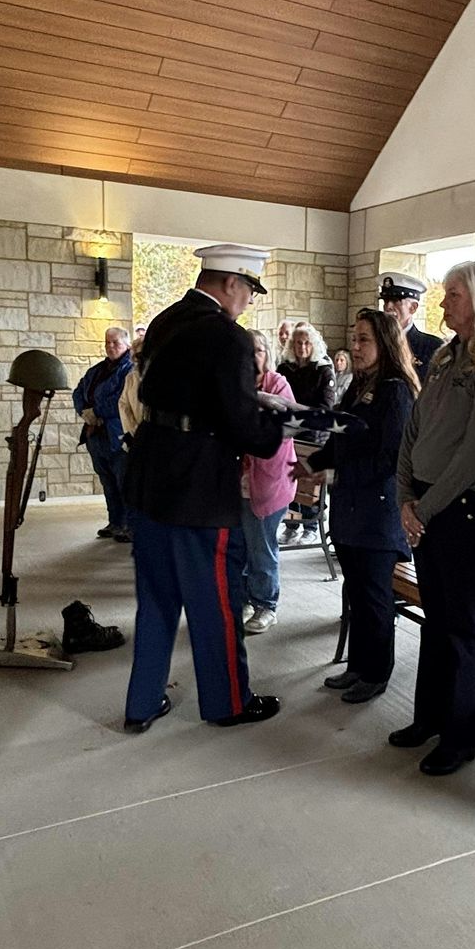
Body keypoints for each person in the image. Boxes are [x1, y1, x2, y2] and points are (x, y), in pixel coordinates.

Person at [121, 244, 286, 732]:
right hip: (198, 488)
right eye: (250, 289)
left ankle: (142, 703)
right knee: (216, 604)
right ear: (232, 282)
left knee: (155, 600)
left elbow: (176, 393)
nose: (249, 300)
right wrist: (277, 425)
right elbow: (241, 425)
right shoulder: (228, 336)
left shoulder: (167, 320)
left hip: (150, 476)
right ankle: (228, 702)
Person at [393, 260, 475, 775]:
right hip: (426, 502)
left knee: (464, 625)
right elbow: (414, 429)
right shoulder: (448, 356)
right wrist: (406, 494)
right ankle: (429, 717)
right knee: (437, 618)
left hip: (464, 508)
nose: (444, 303)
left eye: (454, 294)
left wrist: (421, 509)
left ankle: (462, 735)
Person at [307, 308, 418, 704]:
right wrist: (312, 464)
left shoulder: (395, 391)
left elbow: (390, 459)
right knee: (356, 591)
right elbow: (340, 438)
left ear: (385, 343)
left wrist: (336, 475)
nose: (354, 346)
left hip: (377, 513)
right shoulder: (358, 385)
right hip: (351, 511)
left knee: (374, 598)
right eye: (354, 338)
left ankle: (376, 673)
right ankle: (357, 666)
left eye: (364, 339)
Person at [240, 331, 297, 636]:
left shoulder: (278, 385)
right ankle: (245, 599)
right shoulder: (233, 384)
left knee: (261, 547)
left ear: (267, 355)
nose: (253, 357)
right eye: (246, 352)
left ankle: (265, 605)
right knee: (239, 546)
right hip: (237, 479)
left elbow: (282, 427)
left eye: (258, 351)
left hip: (269, 480)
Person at [72, 326, 133, 540]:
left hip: (118, 434)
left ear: (126, 344)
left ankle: (130, 526)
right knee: (107, 481)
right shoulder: (97, 370)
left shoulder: (130, 369)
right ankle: (115, 522)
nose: (110, 346)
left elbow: (122, 399)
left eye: (115, 342)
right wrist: (85, 412)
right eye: (107, 342)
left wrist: (96, 411)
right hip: (96, 434)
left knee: (124, 481)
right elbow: (78, 392)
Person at [277, 321, 335, 546]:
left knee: (311, 484)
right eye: (298, 343)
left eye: (307, 343)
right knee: (290, 480)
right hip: (289, 434)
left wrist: (297, 414)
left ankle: (311, 526)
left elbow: (326, 407)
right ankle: (292, 525)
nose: (302, 347)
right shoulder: (285, 369)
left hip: (313, 436)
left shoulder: (323, 370)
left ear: (313, 345)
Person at [380, 271, 443, 383]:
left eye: (395, 301)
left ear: (413, 308)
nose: (388, 306)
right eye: (386, 301)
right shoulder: (375, 341)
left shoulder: (433, 347)